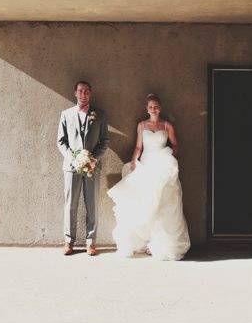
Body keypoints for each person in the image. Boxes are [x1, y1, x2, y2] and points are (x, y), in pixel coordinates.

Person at [107, 94, 190, 260]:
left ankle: (160, 242)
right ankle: (145, 240)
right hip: (146, 164)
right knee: (145, 202)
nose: (154, 109)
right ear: (147, 109)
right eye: (151, 106)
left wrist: (169, 157)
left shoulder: (167, 125)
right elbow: (139, 146)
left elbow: (175, 144)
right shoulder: (141, 125)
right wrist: (133, 161)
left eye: (156, 106)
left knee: (162, 203)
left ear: (160, 108)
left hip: (162, 166)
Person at [57, 81, 109, 256]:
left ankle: (90, 242)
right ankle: (68, 241)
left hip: (92, 166)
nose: (83, 94)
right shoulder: (65, 114)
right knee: (70, 204)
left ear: (91, 93)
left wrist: (92, 159)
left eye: (86, 91)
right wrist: (74, 159)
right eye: (80, 91)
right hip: (71, 167)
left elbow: (105, 141)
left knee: (92, 205)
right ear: (75, 93)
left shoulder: (100, 114)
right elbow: (61, 141)